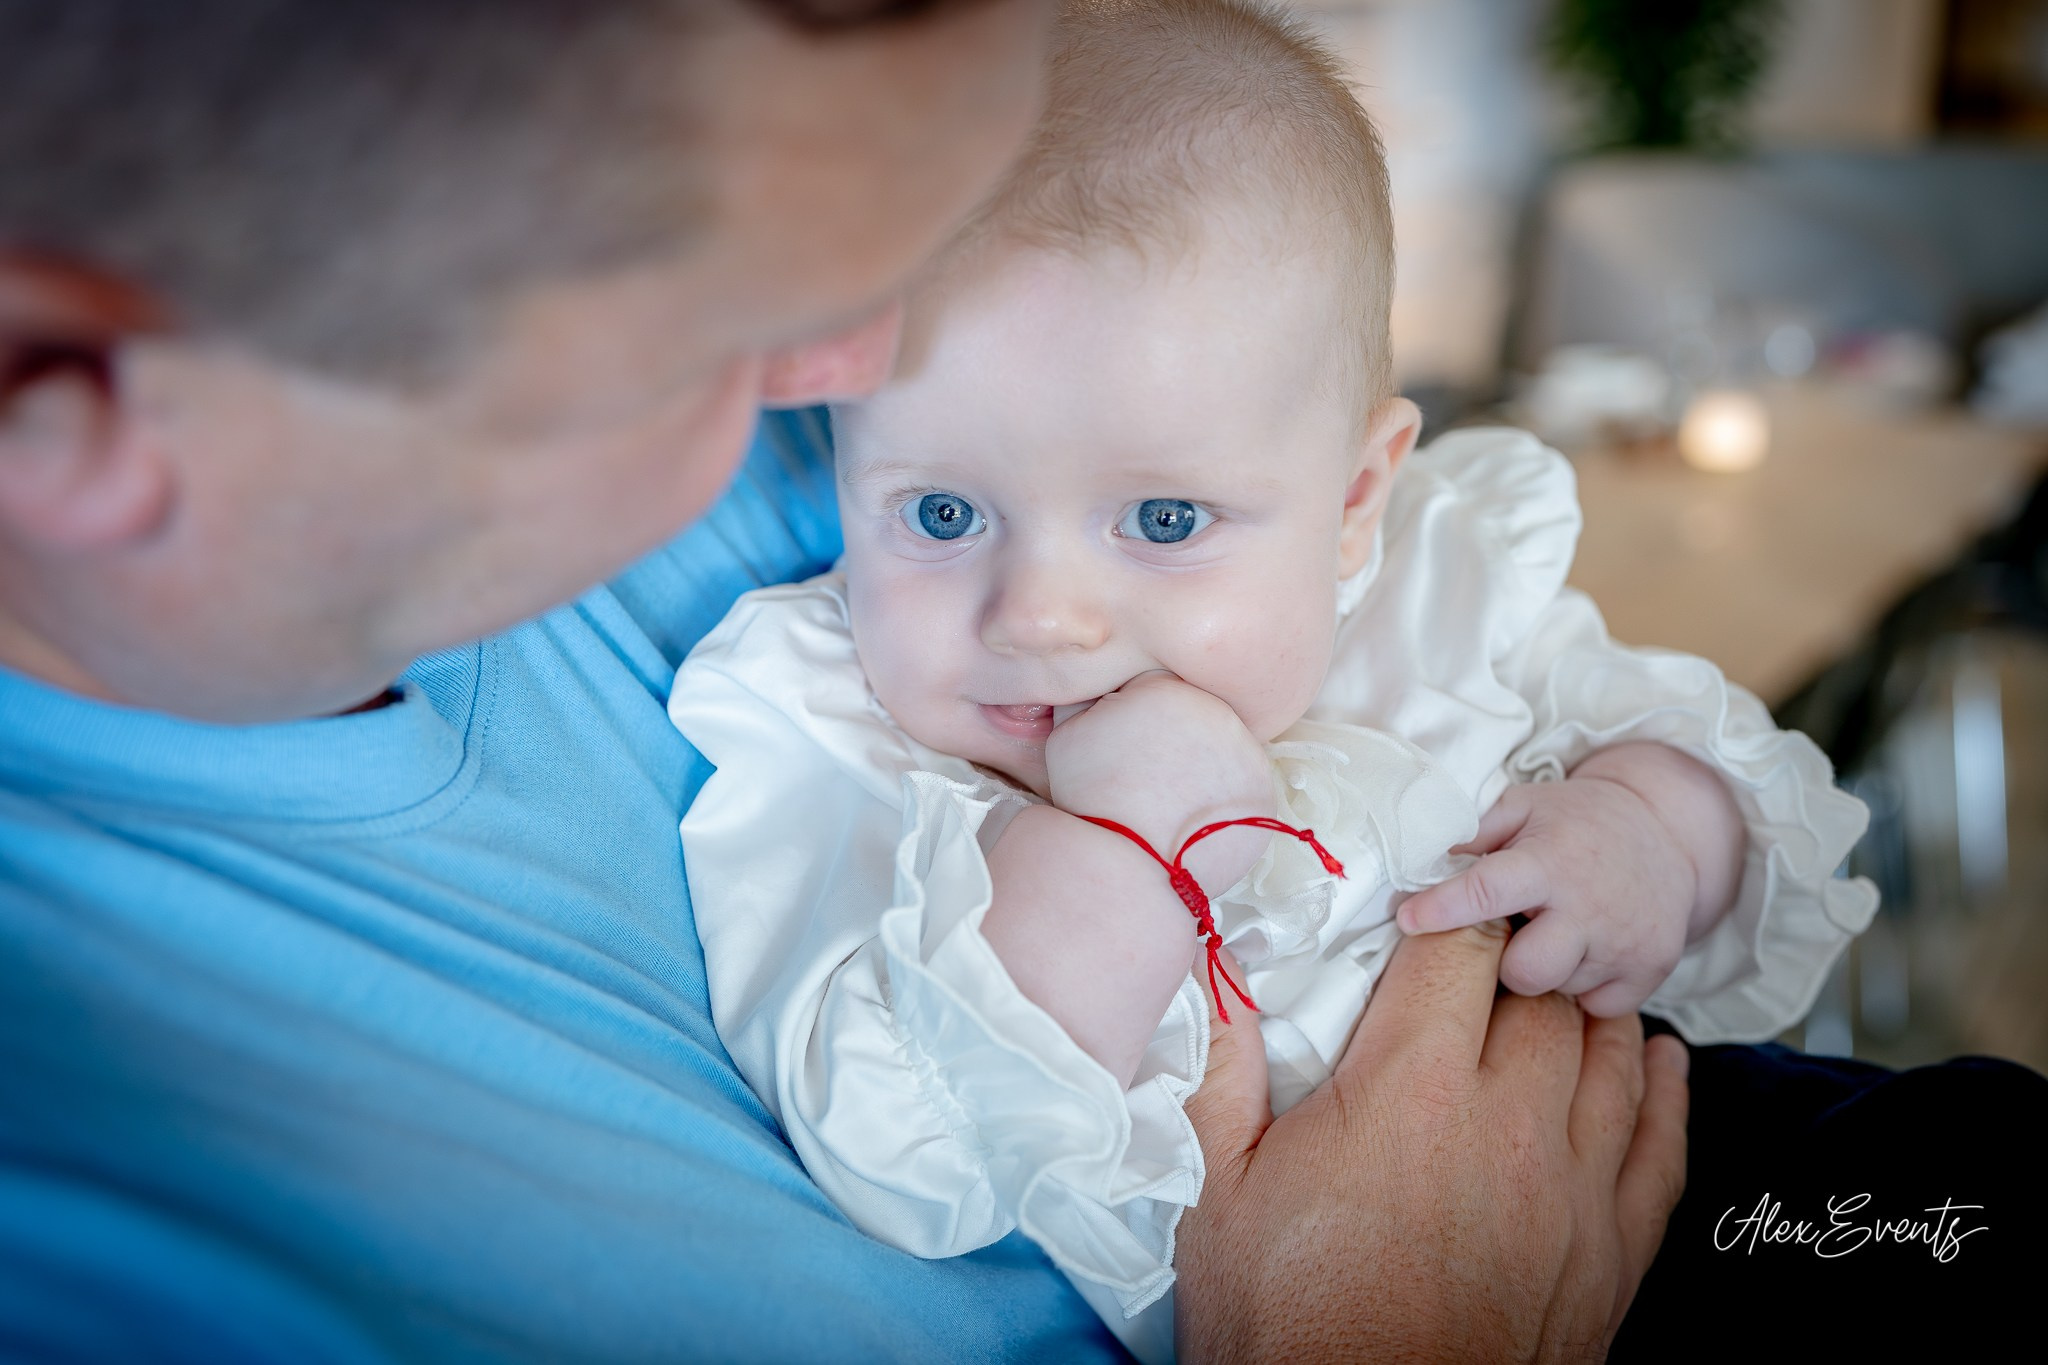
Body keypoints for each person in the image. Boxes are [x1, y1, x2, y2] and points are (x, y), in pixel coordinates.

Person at [0, 1, 1686, 1360]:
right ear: (71, 413)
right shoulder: (113, 1250)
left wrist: (1656, 820)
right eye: (721, 305)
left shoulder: (528, 426)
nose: (845, 378)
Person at [666, 3, 1873, 1357]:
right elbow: (887, 1135)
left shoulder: (1425, 584)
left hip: (1684, 1143)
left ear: (1354, 496)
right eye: (941, 514)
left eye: (1166, 521)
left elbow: (1725, 781)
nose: (1044, 620)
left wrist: (1653, 832)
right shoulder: (829, 727)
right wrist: (1121, 847)